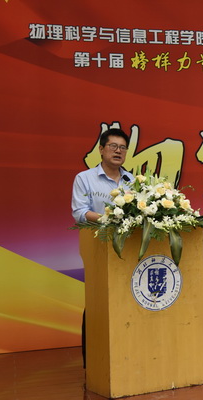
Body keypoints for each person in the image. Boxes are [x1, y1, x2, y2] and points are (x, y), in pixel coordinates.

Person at [71, 127, 134, 368]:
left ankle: (125, 356)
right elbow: (79, 212)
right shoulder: (85, 178)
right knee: (98, 303)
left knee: (126, 302)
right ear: (101, 149)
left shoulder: (132, 181)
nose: (118, 151)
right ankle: (94, 361)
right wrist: (110, 218)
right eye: (113, 146)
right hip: (99, 247)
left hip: (129, 251)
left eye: (123, 148)